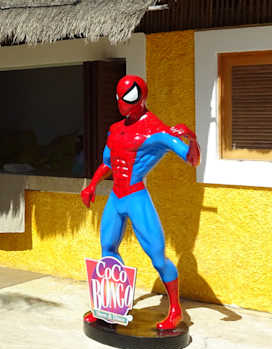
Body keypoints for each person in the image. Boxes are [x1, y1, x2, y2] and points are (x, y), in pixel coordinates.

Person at [80, 75, 200, 331]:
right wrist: (91, 185)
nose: (123, 102)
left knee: (157, 257)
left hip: (136, 196)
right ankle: (110, 308)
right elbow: (108, 163)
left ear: (142, 97)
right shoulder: (115, 129)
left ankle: (175, 310)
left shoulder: (156, 130)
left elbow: (191, 159)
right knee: (107, 248)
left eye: (129, 96)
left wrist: (192, 139)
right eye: (120, 97)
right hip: (116, 196)